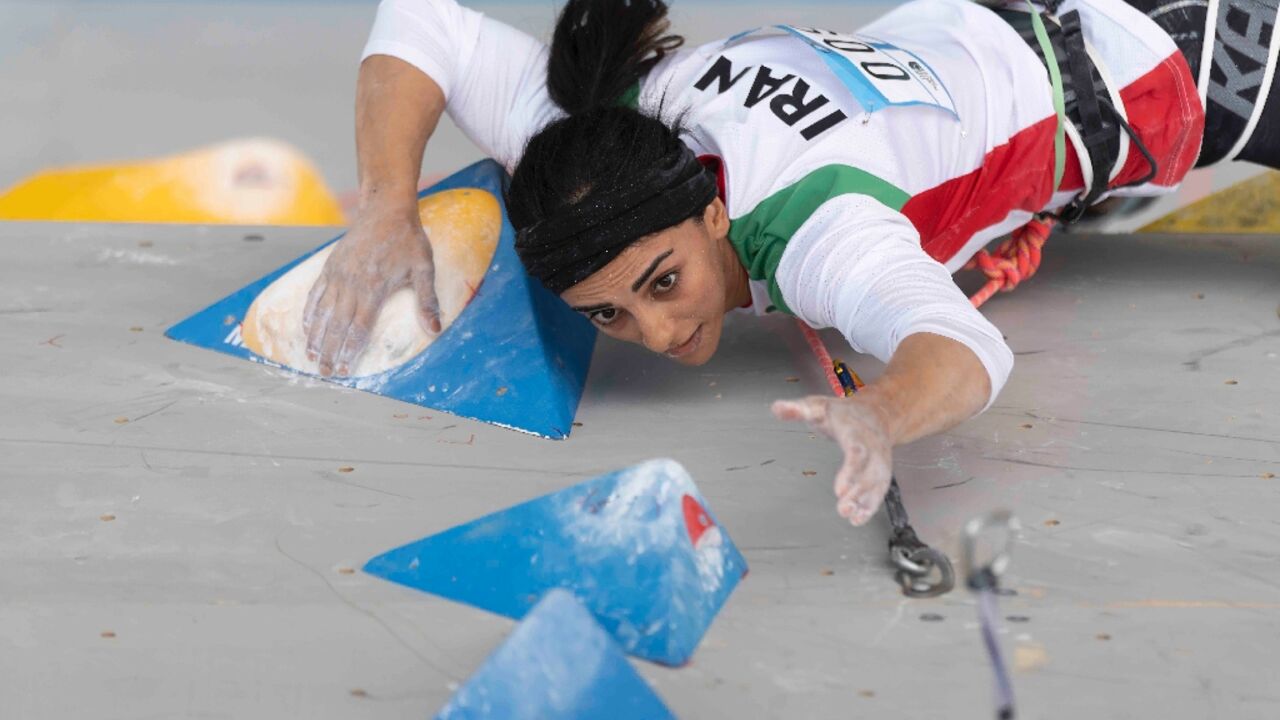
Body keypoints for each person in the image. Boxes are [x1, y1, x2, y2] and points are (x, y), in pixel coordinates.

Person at [302, 0, 1279, 526]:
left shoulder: (819, 236)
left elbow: (969, 351)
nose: (659, 334)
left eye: (660, 284)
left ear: (716, 211)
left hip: (1176, 60)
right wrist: (385, 209)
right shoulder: (592, 138)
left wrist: (880, 412)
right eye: (606, 317)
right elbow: (421, 19)